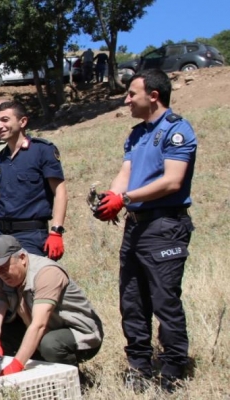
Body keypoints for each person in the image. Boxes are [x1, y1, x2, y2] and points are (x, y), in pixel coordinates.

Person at [93, 69, 197, 394]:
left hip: (165, 225)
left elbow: (172, 181)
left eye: (131, 95)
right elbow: (126, 173)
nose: (126, 100)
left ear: (153, 95)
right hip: (135, 227)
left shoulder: (177, 130)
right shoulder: (136, 134)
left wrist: (125, 198)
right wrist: (110, 199)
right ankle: (139, 367)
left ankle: (172, 371)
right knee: (132, 300)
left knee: (165, 300)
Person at [0, 235, 103, 375]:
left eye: (5, 266)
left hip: (79, 333)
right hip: (43, 331)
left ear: (22, 258)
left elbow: (39, 325)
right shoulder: (3, 279)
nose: (1, 273)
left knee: (50, 344)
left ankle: (75, 380)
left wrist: (17, 364)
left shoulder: (46, 273)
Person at [0, 101, 68, 266]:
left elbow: (60, 192)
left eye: (5, 120)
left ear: (22, 122)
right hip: (0, 234)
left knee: (29, 286)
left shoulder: (42, 150)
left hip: (30, 235)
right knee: (0, 288)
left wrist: (56, 231)